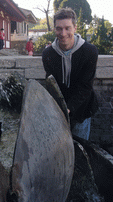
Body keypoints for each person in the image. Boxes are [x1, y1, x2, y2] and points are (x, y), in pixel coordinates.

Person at [42, 8, 98, 140]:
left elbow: (85, 86)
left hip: (82, 109)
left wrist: (68, 108)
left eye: (67, 28)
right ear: (54, 29)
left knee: (79, 148)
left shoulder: (90, 51)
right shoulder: (48, 54)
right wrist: (58, 109)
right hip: (59, 111)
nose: (63, 33)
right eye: (59, 29)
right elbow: (51, 83)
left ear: (75, 28)